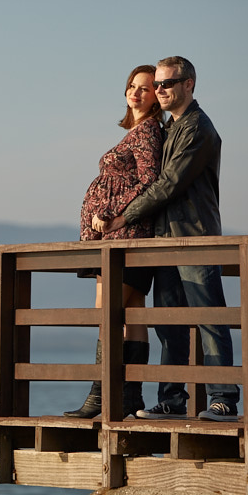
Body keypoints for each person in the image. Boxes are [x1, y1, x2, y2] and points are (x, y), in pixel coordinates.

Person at [101, 56, 240, 422]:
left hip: (194, 238)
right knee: (169, 323)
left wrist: (123, 218)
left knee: (209, 318)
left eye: (168, 84)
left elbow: (169, 184)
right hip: (163, 239)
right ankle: (172, 399)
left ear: (189, 84)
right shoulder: (170, 128)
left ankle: (223, 398)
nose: (160, 90)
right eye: (157, 85)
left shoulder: (197, 128)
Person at [64, 65, 164, 419]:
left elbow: (150, 181)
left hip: (124, 236)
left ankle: (100, 394)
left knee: (108, 315)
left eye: (146, 88)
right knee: (132, 311)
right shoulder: (137, 131)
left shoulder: (148, 132)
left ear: (157, 95)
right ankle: (128, 397)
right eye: (132, 87)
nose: (136, 93)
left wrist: (108, 210)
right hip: (119, 236)